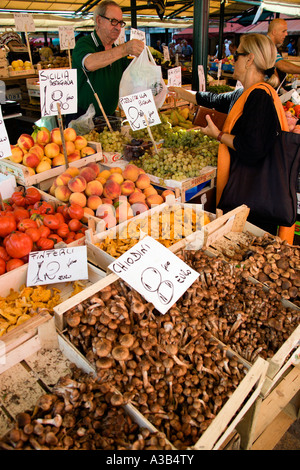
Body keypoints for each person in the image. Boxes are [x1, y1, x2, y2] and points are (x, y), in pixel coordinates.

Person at [170, 33, 294, 243]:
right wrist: (182, 93)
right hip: (252, 193)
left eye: (236, 55)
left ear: (250, 59)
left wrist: (218, 135)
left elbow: (252, 148)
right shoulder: (247, 93)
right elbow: (215, 100)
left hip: (256, 198)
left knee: (250, 248)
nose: (232, 59)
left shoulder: (259, 97)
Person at [70, 1, 144, 124]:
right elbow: (90, 63)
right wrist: (125, 49)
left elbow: (132, 80)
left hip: (109, 118)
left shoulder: (118, 52)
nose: (118, 27)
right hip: (82, 119)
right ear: (99, 21)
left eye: (120, 23)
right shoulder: (84, 43)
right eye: (113, 21)